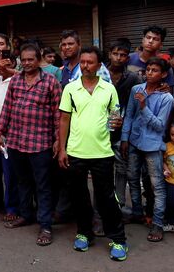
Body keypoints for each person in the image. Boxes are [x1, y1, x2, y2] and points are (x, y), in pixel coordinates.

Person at [57, 46, 129, 261]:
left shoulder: (108, 89)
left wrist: (117, 122)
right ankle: (84, 233)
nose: (86, 66)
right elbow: (64, 119)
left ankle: (118, 239)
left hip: (102, 152)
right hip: (76, 152)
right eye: (83, 62)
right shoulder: (70, 89)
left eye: (90, 62)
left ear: (99, 66)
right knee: (79, 197)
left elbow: (115, 117)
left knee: (106, 197)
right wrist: (62, 149)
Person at [0, 43, 61, 246]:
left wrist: (59, 139)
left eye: (30, 60)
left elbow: (58, 114)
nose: (26, 63)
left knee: (43, 185)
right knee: (22, 181)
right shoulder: (15, 79)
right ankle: (25, 215)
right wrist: (0, 131)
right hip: (16, 140)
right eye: (23, 60)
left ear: (39, 59)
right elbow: (7, 107)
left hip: (41, 143)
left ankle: (45, 225)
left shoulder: (50, 82)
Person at [120, 57, 174, 241]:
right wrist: (125, 138)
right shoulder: (137, 89)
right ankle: (137, 212)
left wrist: (144, 106)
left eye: (155, 70)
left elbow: (160, 125)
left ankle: (157, 224)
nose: (150, 73)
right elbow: (128, 115)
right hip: (134, 141)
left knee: (157, 186)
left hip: (153, 145)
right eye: (148, 69)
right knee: (132, 178)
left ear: (164, 74)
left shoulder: (166, 98)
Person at [106, 39, 141, 214]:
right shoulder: (99, 73)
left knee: (121, 170)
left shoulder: (133, 78)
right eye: (115, 54)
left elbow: (134, 108)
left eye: (123, 55)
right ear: (109, 54)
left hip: (121, 132)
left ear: (128, 57)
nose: (118, 58)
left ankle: (117, 206)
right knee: (103, 172)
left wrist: (126, 135)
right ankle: (103, 207)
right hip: (99, 131)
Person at [0, 54, 20, 221]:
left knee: (10, 175)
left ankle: (12, 207)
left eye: (4, 64)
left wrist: (10, 70)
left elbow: (22, 75)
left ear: (12, 64)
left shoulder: (17, 80)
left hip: (9, 136)